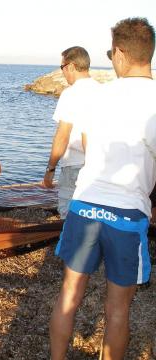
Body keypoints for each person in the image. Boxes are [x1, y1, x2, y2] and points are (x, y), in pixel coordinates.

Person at [50, 18, 155, 360]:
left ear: (122, 53)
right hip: (127, 213)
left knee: (69, 295)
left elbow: (86, 144)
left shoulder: (99, 96)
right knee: (117, 310)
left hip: (85, 205)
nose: (111, 58)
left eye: (111, 52)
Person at [42, 46, 100, 219]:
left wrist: (50, 169)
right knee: (92, 213)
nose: (62, 72)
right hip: (99, 165)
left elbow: (63, 136)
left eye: (62, 67)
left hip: (74, 164)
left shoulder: (71, 94)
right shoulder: (103, 91)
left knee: (69, 215)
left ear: (71, 66)